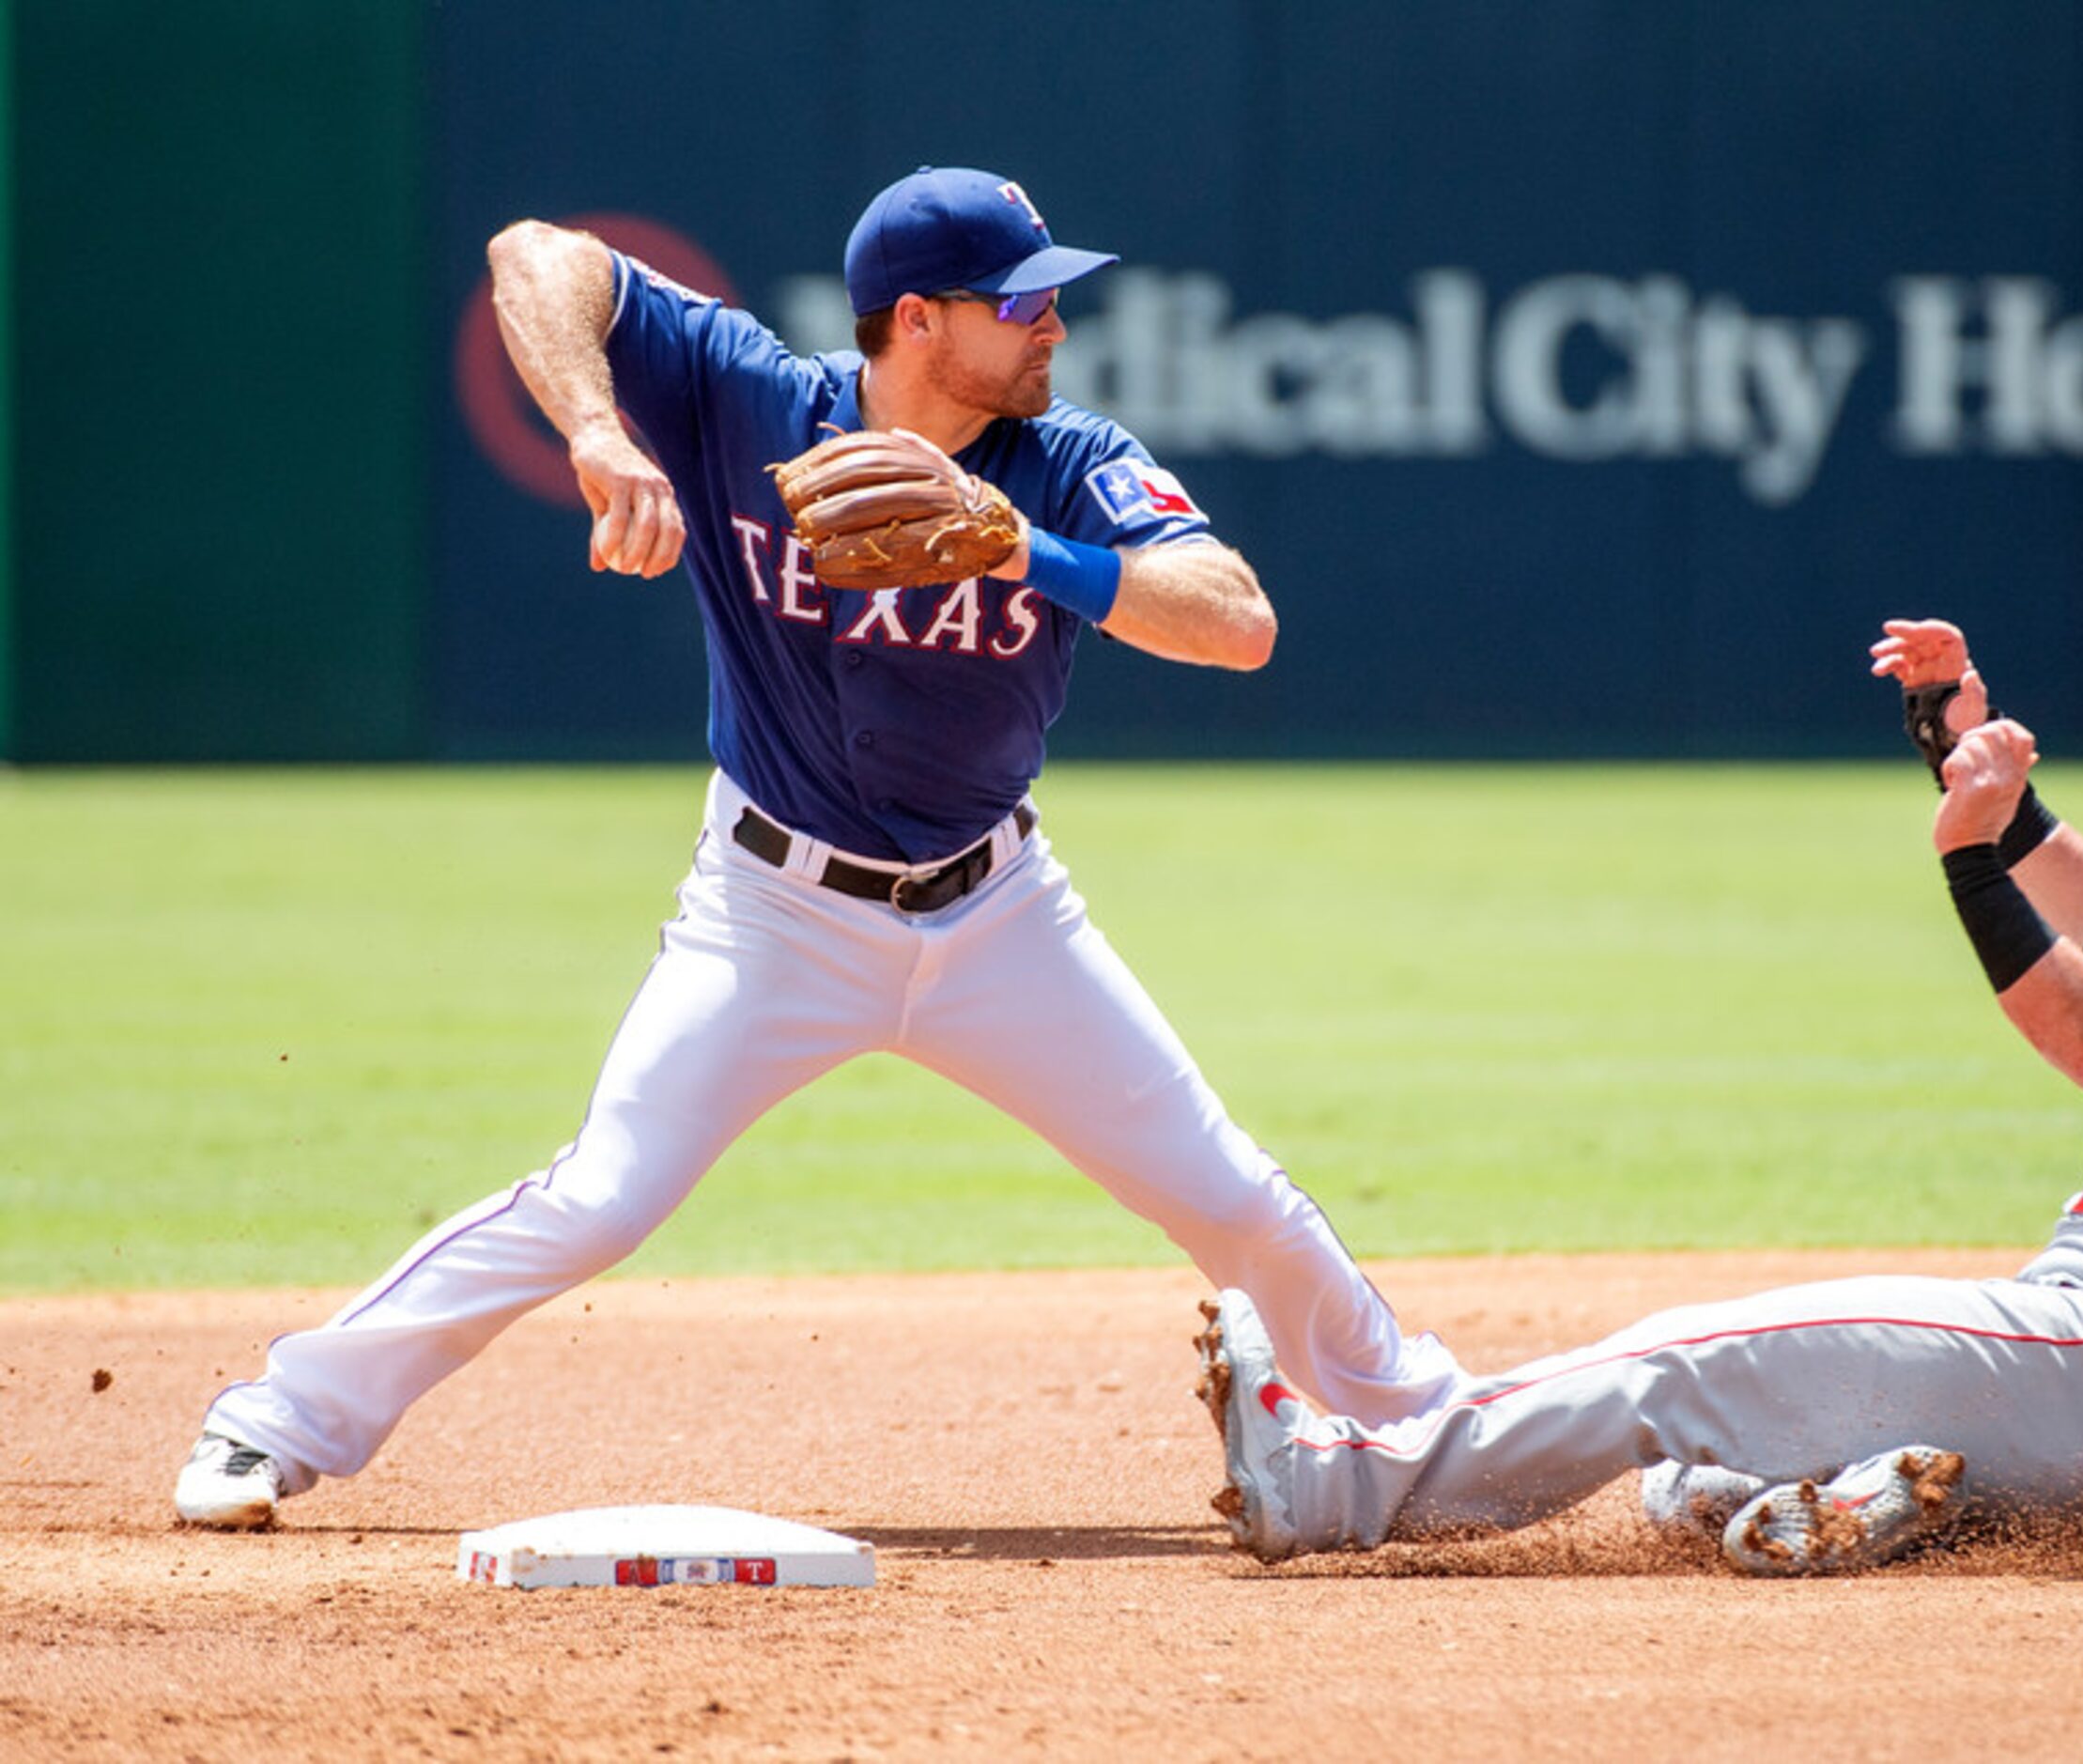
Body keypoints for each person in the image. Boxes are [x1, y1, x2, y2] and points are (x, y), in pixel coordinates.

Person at [173, 165, 1462, 1529]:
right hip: (770, 911)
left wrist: (1027, 550)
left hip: (998, 914)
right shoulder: (744, 397)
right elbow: (533, 253)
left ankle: (1435, 1425)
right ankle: (273, 1421)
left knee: (1234, 1201)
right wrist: (602, 433)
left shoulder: (1066, 463)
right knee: (599, 1199)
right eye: (1023, 301)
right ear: (916, 318)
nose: (1054, 328)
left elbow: (1236, 620)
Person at [1195, 616, 2083, 1573]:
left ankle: (1334, 1483)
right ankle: (1823, 1507)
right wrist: (1967, 753)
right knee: (1684, 1462)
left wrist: (1965, 858)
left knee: (1686, 1364)